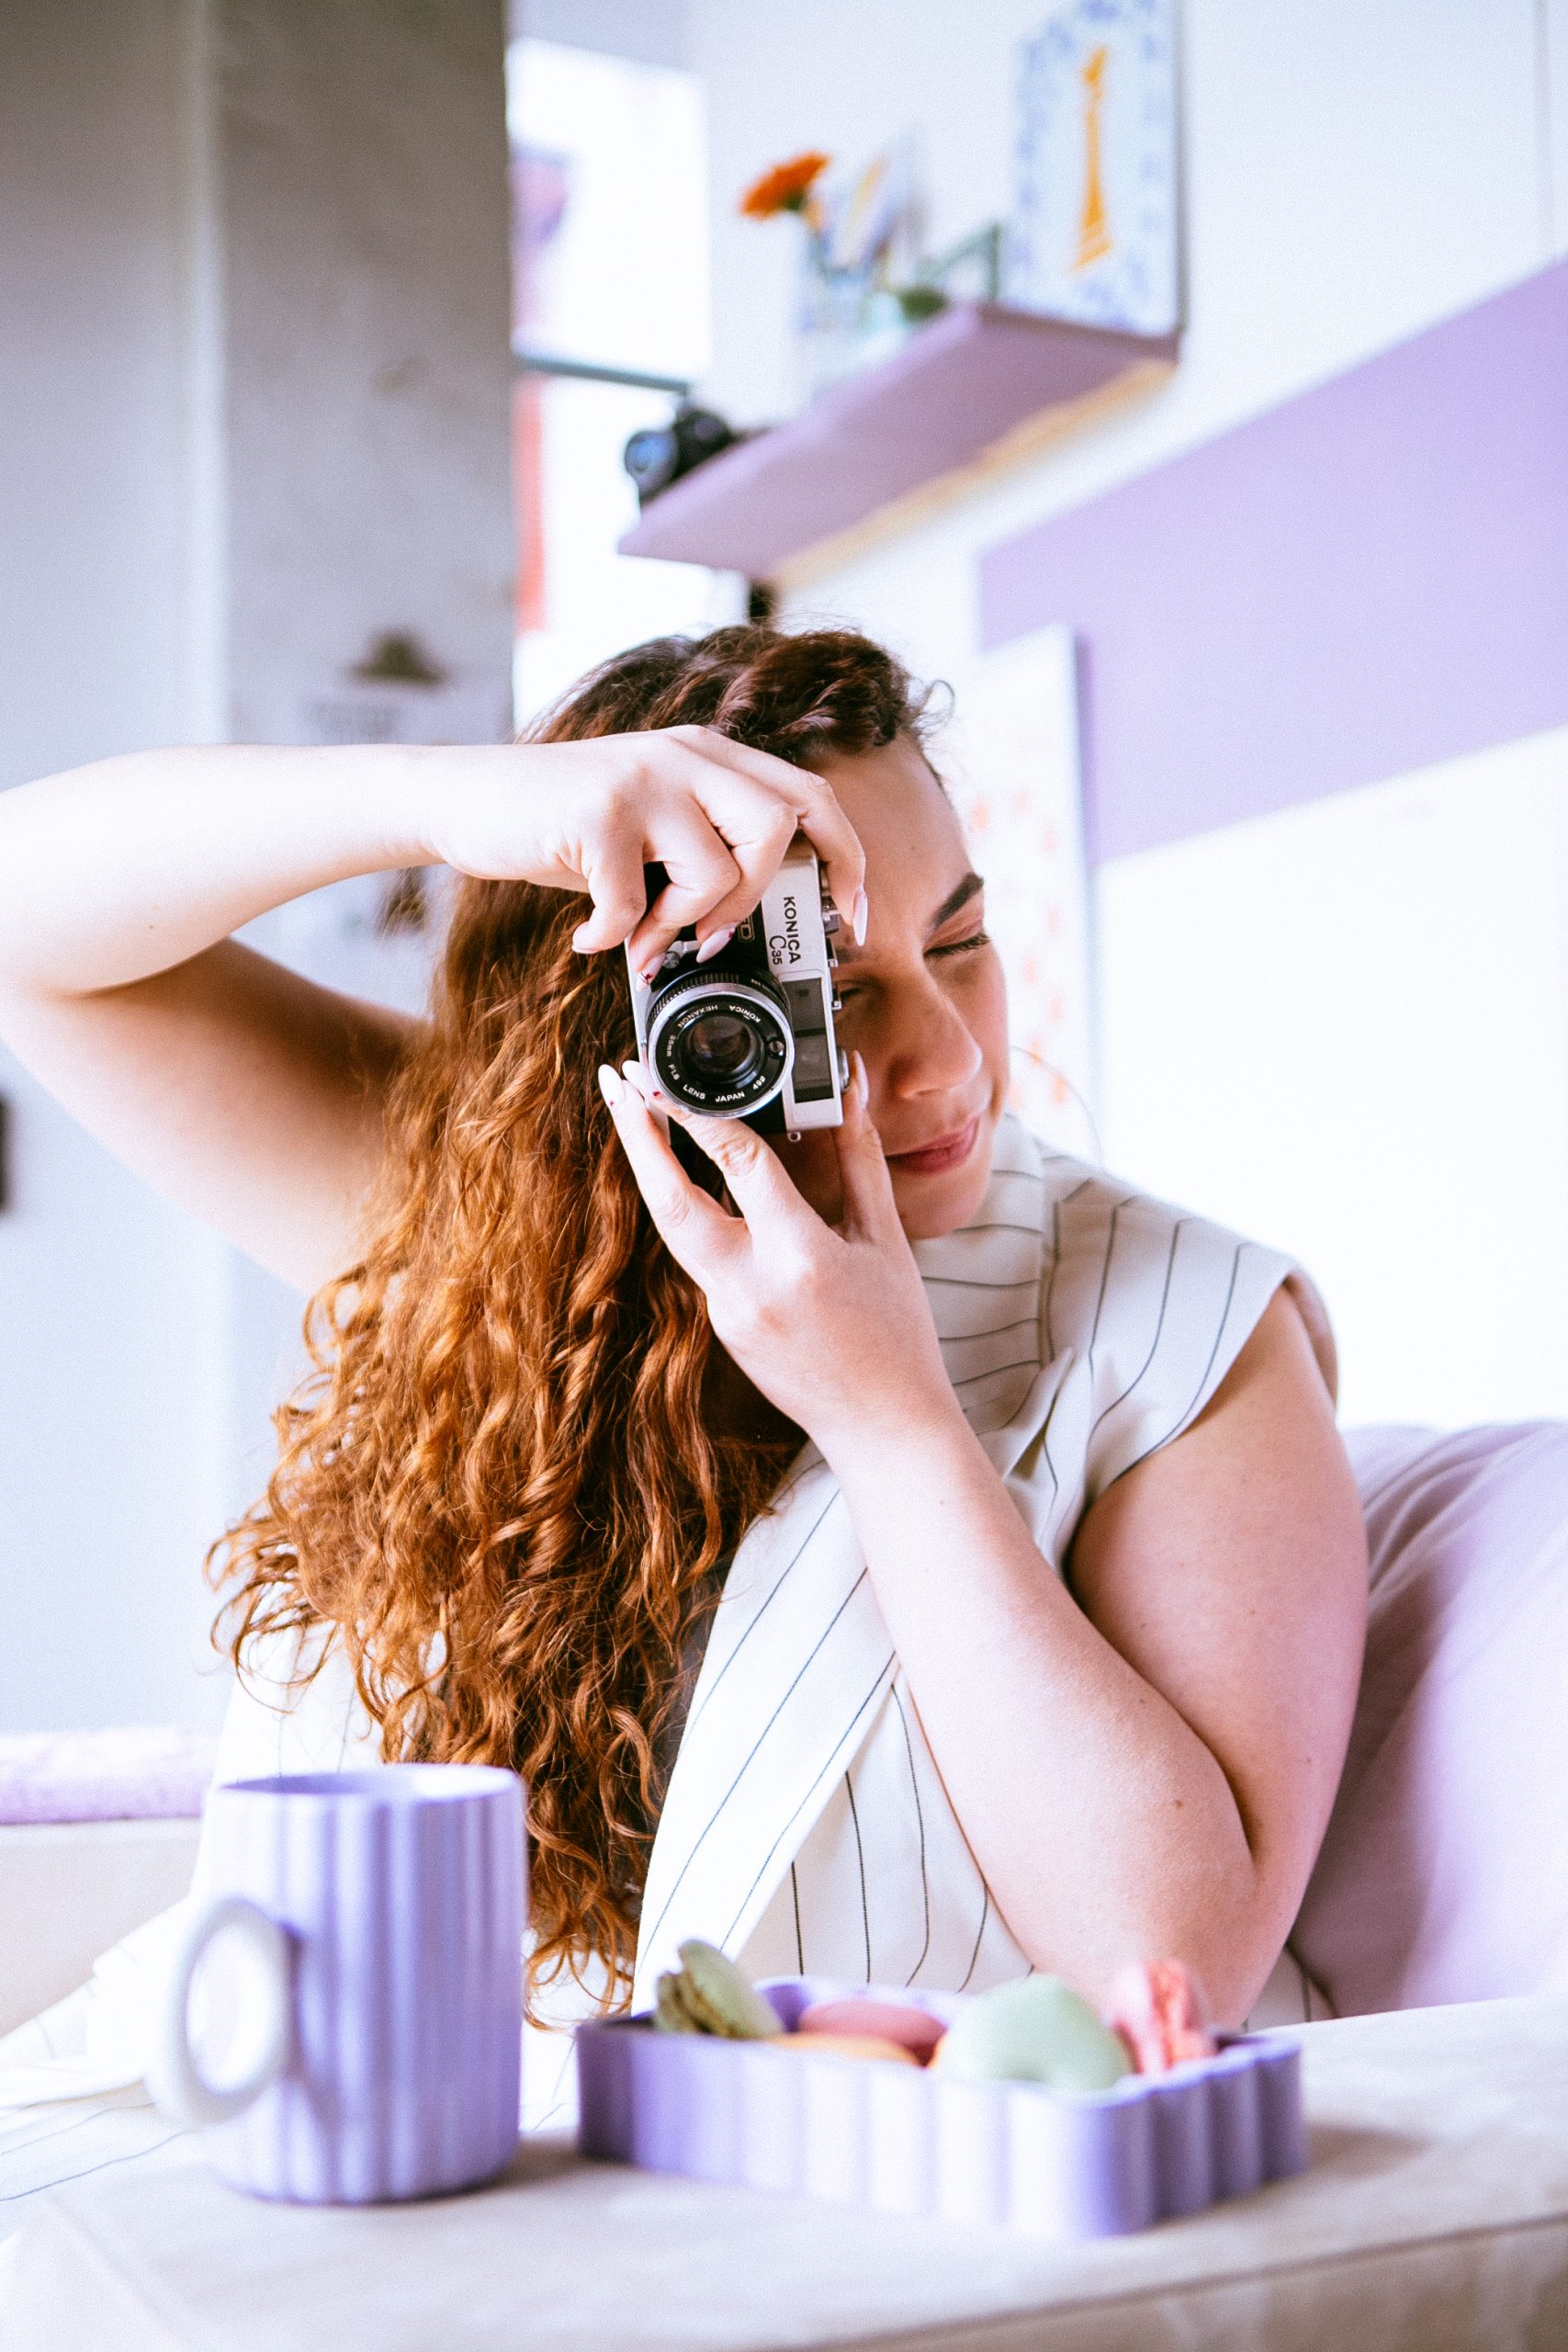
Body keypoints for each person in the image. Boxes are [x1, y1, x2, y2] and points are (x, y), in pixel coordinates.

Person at [0, 625, 1366, 2131]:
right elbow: (22, 921)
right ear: (646, 1017)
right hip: (367, 2132)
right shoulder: (484, 1221)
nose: (946, 1061)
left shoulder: (1181, 1322)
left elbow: (1166, 1970)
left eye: (960, 943)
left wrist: (893, 1425)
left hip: (850, 2179)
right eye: (831, 986)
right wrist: (440, 800)